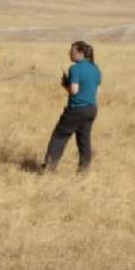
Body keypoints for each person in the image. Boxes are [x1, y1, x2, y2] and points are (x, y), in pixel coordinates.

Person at [42, 41, 102, 173]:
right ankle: (84, 170)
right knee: (84, 140)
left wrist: (65, 84)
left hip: (76, 108)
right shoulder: (96, 69)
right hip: (91, 109)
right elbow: (97, 92)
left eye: (72, 51)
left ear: (80, 53)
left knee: (60, 136)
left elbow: (74, 90)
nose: (69, 53)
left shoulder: (75, 69)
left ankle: (49, 168)